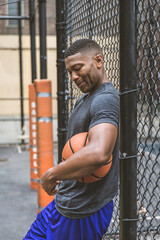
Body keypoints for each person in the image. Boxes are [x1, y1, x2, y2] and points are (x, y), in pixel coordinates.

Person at [24, 39, 119, 240]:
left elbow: (98, 153)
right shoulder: (86, 98)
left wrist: (52, 174)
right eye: (70, 72)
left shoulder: (106, 99)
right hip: (64, 203)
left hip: (83, 211)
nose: (73, 77)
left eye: (77, 68)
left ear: (99, 60)